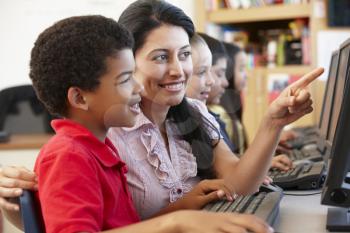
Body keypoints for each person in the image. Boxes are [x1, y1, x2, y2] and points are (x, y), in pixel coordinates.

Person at [0, 0, 323, 232]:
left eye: (184, 55)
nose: (179, 70)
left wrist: (182, 209)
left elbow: (127, 223)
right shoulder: (90, 144)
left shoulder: (105, 146)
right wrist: (176, 221)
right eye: (127, 77)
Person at [197, 34, 293, 171]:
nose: (246, 75)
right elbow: (230, 168)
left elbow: (235, 158)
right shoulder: (218, 114)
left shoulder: (219, 112)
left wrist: (268, 147)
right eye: (241, 69)